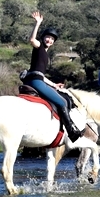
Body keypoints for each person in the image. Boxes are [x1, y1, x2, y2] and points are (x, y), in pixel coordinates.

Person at [22, 11, 82, 143]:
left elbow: (41, 75)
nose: (50, 40)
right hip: (36, 82)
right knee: (63, 102)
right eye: (48, 37)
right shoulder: (39, 48)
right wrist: (37, 23)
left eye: (52, 39)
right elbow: (32, 40)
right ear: (43, 38)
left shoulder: (45, 54)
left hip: (38, 80)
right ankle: (71, 132)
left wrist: (54, 85)